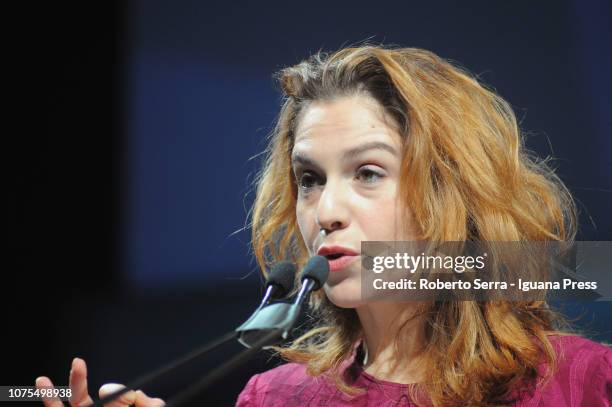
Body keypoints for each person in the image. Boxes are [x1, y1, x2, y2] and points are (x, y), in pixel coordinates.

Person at [36, 45, 611, 407]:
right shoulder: (274, 398)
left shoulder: (584, 383)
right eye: (309, 179)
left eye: (367, 172)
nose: (324, 210)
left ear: (453, 193)